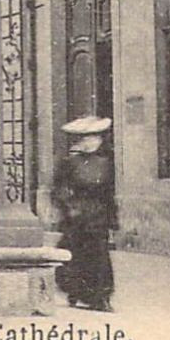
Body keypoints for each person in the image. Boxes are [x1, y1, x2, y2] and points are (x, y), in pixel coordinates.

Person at [52, 116, 116, 311]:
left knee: (99, 257)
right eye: (88, 138)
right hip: (77, 217)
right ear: (81, 140)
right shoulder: (70, 163)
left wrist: (112, 218)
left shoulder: (104, 163)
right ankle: (75, 292)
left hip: (97, 216)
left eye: (96, 138)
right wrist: (69, 208)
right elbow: (59, 189)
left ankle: (101, 297)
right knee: (76, 256)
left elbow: (108, 193)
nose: (93, 142)